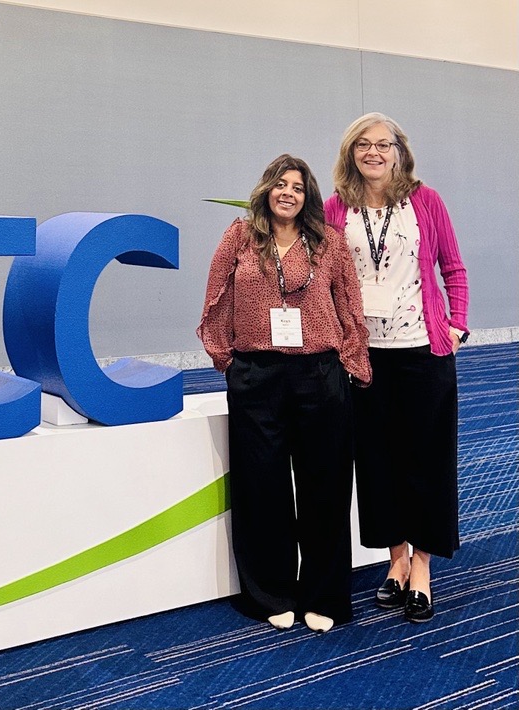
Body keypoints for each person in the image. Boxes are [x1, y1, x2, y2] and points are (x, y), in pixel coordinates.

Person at [198, 154, 371, 633]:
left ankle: (323, 595)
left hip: (319, 374)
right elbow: (216, 300)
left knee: (326, 487)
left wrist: (352, 363)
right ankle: (269, 593)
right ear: (266, 190)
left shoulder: (329, 243)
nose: (287, 192)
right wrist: (229, 362)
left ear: (307, 196)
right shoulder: (239, 236)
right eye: (280, 183)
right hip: (258, 376)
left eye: (297, 186)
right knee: (262, 488)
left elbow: (350, 307)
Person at [325, 113, 469, 623]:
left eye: (382, 144)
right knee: (379, 460)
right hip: (366, 355)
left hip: (423, 350)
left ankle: (424, 566)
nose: (373, 152)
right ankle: (395, 561)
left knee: (426, 459)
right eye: (362, 144)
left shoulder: (425, 201)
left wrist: (457, 324)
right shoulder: (336, 208)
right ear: (351, 153)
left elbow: (452, 266)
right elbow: (325, 278)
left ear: (398, 150)